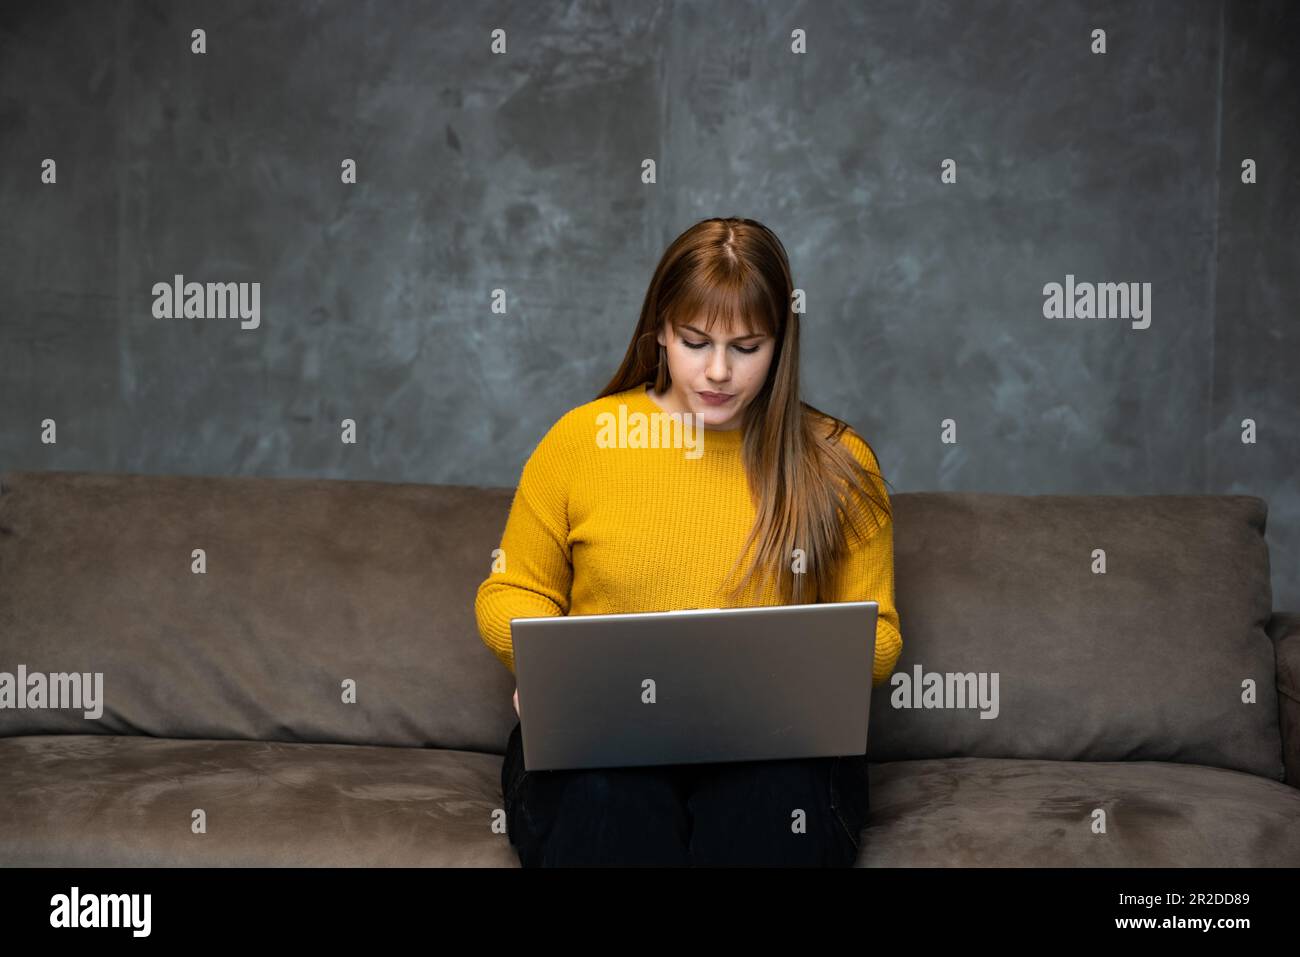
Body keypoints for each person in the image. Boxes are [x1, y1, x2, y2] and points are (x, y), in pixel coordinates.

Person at [474, 217, 903, 866]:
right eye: (695, 341)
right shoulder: (582, 442)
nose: (719, 372)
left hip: (774, 752)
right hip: (600, 746)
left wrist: (799, 659)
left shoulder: (838, 459)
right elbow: (512, 588)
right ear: (661, 331)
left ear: (782, 344)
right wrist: (544, 668)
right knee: (607, 801)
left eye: (747, 346)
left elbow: (883, 636)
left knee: (768, 804)